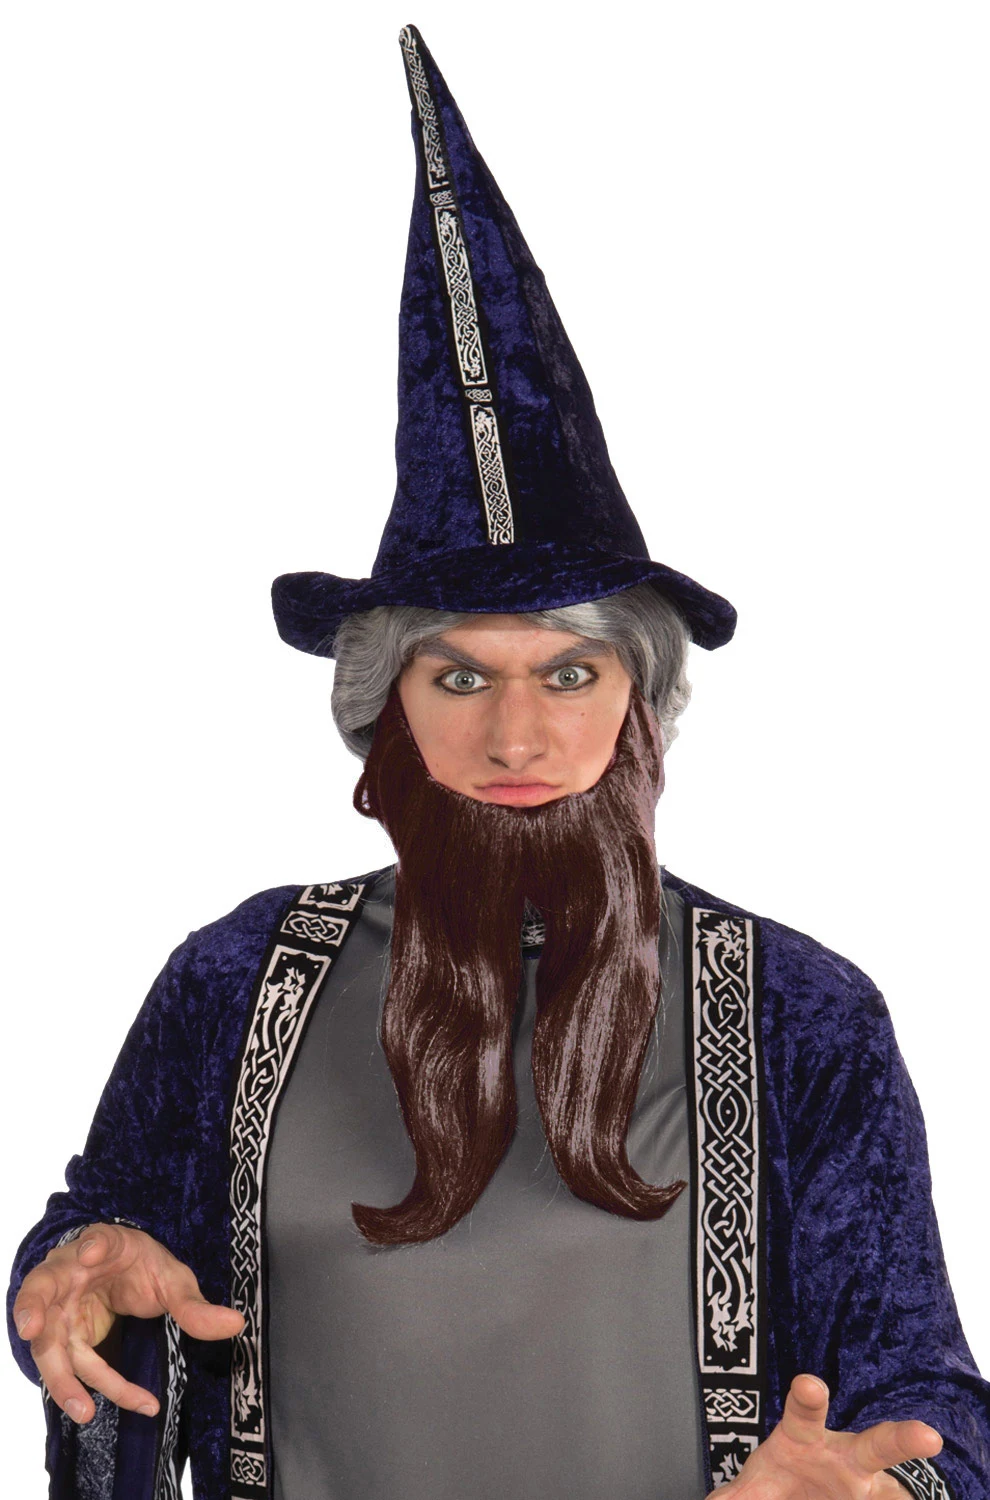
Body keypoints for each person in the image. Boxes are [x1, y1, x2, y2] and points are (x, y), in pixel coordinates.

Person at [6, 22, 990, 1500]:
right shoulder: (238, 980)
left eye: (569, 675)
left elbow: (921, 1390)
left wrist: (883, 1483)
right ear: (387, 705)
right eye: (457, 675)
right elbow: (109, 1240)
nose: (515, 737)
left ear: (640, 702)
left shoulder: (799, 1014)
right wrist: (74, 1274)